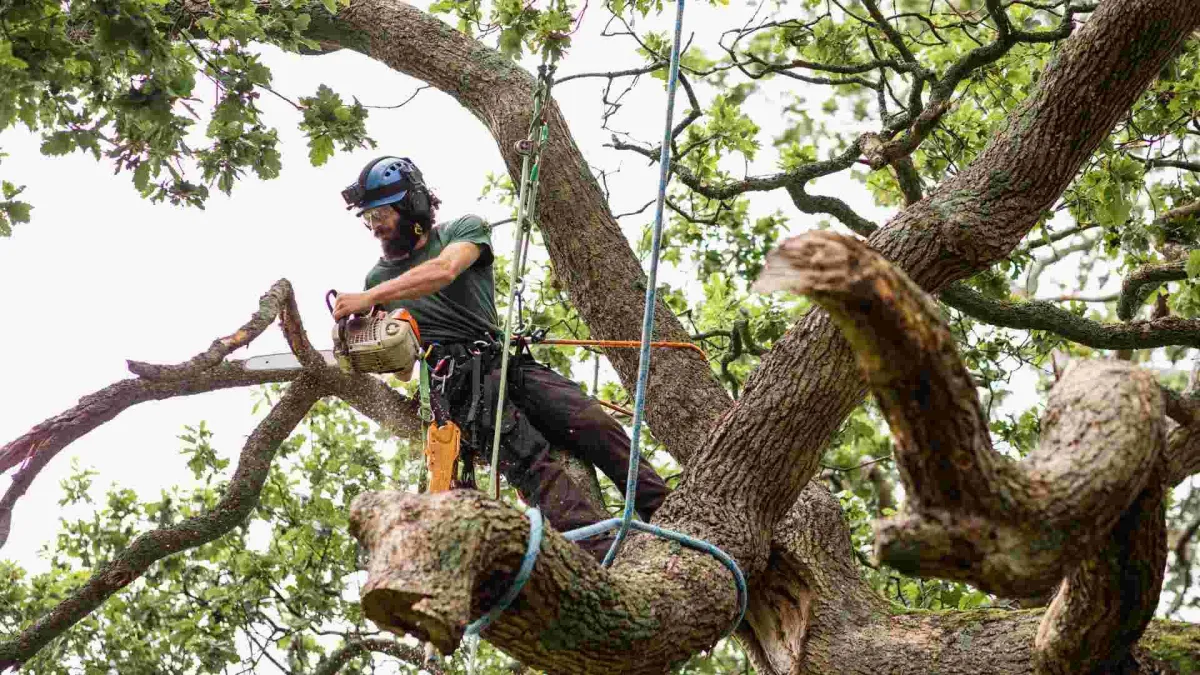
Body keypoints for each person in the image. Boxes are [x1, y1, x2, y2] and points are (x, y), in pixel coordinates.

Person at [330, 155, 670, 561]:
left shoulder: (461, 231)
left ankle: (666, 511)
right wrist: (375, 341)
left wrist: (371, 298)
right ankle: (601, 552)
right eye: (368, 218)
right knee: (530, 461)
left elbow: (444, 270)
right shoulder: (378, 278)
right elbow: (404, 370)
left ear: (412, 206)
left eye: (381, 213)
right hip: (456, 382)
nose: (375, 226)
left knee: (589, 420)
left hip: (502, 361)